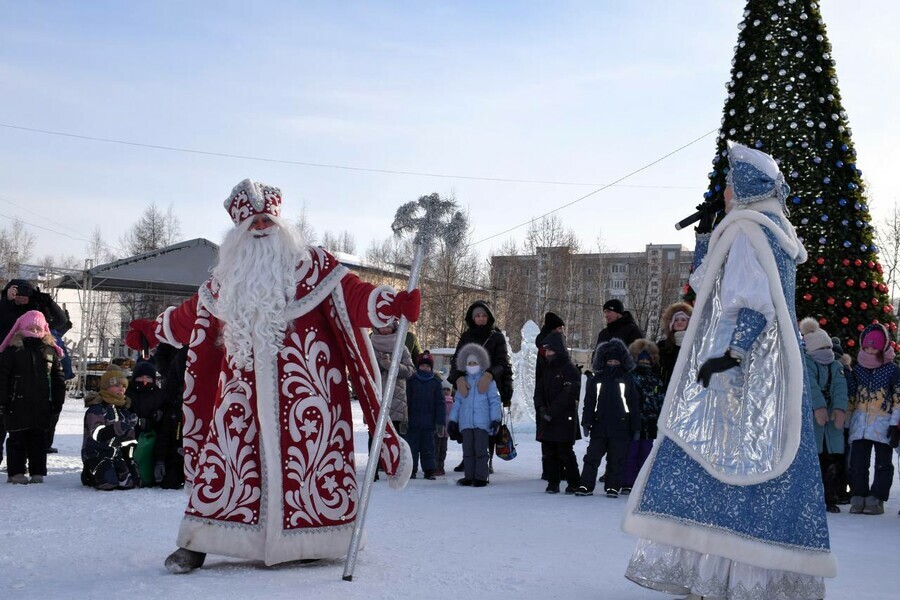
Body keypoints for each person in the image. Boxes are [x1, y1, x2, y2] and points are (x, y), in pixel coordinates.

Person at [125, 179, 417, 573]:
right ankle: (196, 543)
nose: (261, 226)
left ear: (281, 223)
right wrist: (151, 329)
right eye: (252, 222)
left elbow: (355, 296)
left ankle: (313, 540)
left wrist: (391, 302)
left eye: (267, 219)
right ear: (237, 232)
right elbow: (189, 317)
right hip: (240, 399)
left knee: (312, 472)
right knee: (225, 469)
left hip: (309, 401)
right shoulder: (225, 279)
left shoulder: (315, 267)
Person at [622, 141, 835, 599]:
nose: (723, 192)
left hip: (747, 373)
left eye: (729, 183)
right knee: (753, 467)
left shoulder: (748, 229)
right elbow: (715, 285)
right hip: (775, 373)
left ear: (746, 186)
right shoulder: (775, 230)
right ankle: (742, 574)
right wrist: (706, 236)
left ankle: (724, 575)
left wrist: (730, 359)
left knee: (721, 462)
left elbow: (749, 305)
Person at [0, 280, 70, 459]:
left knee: (32, 423)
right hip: (7, 367)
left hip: (34, 372)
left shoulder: (38, 309)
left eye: (25, 294)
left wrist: (47, 301)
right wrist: (6, 301)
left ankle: (31, 459)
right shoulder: (5, 307)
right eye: (16, 293)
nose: (21, 298)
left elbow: (61, 322)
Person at [0, 310, 66, 484]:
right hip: (16, 403)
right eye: (30, 327)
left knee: (39, 440)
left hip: (42, 403)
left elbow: (58, 378)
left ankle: (38, 472)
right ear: (21, 328)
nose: (35, 331)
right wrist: (2, 401)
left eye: (38, 328)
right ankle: (16, 473)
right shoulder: (12, 350)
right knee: (17, 440)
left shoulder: (50, 350)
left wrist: (58, 401)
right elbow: (2, 378)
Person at [448, 300, 512, 473]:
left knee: (487, 425)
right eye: (477, 316)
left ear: (489, 317)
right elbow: (457, 360)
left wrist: (490, 375)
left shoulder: (496, 337)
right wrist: (458, 378)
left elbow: (503, 363)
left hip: (488, 386)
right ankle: (467, 459)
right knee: (467, 424)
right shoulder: (467, 336)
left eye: (484, 315)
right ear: (472, 317)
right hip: (467, 388)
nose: (481, 319)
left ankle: (486, 460)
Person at [574, 338, 640, 498]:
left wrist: (636, 427)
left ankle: (612, 487)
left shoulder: (627, 379)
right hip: (599, 425)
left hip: (621, 427)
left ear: (621, 361)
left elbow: (634, 404)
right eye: (609, 360)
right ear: (604, 361)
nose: (612, 364)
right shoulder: (596, 380)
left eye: (615, 361)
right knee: (591, 458)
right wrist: (586, 422)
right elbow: (589, 402)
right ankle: (586, 485)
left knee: (616, 460)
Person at [846, 323, 900, 516]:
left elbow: (898, 399)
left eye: (874, 347)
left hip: (883, 424)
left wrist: (895, 425)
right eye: (867, 347)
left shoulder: (892, 370)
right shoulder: (858, 370)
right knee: (858, 463)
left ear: (883, 346)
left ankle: (877, 498)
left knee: (883, 463)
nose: (870, 351)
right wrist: (846, 421)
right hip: (860, 423)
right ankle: (858, 495)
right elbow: (851, 397)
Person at [800, 318, 848, 513]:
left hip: (831, 421)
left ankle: (830, 497)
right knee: (814, 458)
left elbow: (840, 388)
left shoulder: (836, 366)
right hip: (813, 418)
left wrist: (839, 409)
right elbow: (810, 387)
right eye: (822, 349)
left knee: (832, 459)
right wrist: (819, 407)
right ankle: (812, 497)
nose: (827, 353)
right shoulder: (806, 364)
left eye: (828, 348)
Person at [533, 330, 581, 494]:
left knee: (565, 452)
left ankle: (574, 482)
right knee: (549, 453)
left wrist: (551, 411)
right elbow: (538, 391)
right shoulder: (546, 369)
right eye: (545, 350)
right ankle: (553, 483)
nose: (547, 353)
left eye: (550, 350)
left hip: (563, 419)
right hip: (547, 418)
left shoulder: (570, 369)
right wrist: (541, 408)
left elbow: (569, 394)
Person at [80, 364, 141, 490]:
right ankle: (89, 473)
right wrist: (121, 426)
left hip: (116, 454)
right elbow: (97, 434)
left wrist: (130, 460)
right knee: (108, 483)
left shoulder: (124, 410)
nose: (121, 389)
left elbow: (129, 440)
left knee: (129, 483)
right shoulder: (97, 409)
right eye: (117, 385)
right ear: (106, 387)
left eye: (124, 386)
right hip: (96, 453)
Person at [448, 344, 501, 487]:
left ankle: (481, 477)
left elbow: (494, 401)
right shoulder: (463, 382)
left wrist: (495, 419)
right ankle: (469, 476)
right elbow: (457, 402)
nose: (472, 366)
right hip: (466, 423)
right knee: (468, 451)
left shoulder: (488, 381)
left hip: (482, 423)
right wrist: (453, 420)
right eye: (469, 363)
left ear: (481, 364)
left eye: (475, 363)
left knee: (481, 450)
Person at [369, 319, 415, 479]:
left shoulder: (401, 346)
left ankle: (395, 468)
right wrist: (379, 365)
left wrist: (392, 366)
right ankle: (373, 470)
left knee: (394, 435)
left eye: (389, 326)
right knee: (374, 434)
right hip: (376, 394)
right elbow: (364, 367)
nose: (386, 329)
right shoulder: (369, 345)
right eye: (382, 326)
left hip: (396, 398)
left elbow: (410, 371)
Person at [623, 339, 664, 493]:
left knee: (645, 453)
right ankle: (627, 482)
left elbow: (661, 399)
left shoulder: (656, 379)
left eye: (648, 359)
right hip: (634, 421)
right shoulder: (630, 377)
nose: (645, 362)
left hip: (651, 421)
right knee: (631, 453)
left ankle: (641, 483)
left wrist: (660, 417)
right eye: (642, 359)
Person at [404, 352, 445, 480]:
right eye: (422, 366)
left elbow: (440, 404)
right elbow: (406, 402)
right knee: (412, 448)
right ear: (418, 366)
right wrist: (405, 419)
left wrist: (440, 422)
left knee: (429, 448)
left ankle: (429, 470)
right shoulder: (411, 381)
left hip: (429, 423)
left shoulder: (436, 382)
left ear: (431, 367)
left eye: (427, 366)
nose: (425, 368)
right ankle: (412, 470)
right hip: (413, 423)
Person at [535, 311, 566, 481]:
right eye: (559, 328)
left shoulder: (549, 342)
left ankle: (553, 469)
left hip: (549, 393)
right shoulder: (548, 345)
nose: (562, 330)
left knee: (552, 433)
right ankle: (552, 470)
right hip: (549, 393)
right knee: (550, 434)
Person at [152, 343, 188, 489]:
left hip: (191, 387)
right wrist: (169, 373)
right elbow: (159, 357)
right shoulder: (173, 337)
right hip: (174, 390)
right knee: (170, 430)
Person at [657, 302, 692, 391]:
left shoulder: (695, 346)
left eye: (683, 320)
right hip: (667, 391)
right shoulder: (662, 346)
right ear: (671, 323)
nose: (679, 322)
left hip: (688, 392)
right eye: (676, 319)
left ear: (689, 322)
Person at [434, 378, 454, 476]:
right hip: (438, 429)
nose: (445, 392)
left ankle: (441, 467)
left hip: (446, 431)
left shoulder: (452, 403)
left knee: (443, 450)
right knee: (436, 449)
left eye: (447, 390)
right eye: (444, 389)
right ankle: (435, 467)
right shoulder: (438, 401)